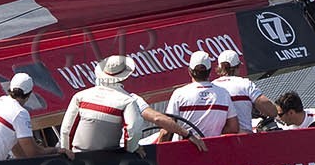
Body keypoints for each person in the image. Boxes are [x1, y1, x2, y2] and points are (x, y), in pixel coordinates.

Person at [59, 54, 205, 153]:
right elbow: (138, 128)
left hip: (79, 157)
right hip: (110, 159)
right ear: (124, 77)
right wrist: (131, 150)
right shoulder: (129, 100)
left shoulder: (80, 96)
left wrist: (67, 153)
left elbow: (66, 129)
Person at [162, 51, 237, 140]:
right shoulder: (223, 93)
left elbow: (167, 131)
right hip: (214, 149)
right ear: (209, 72)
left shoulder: (179, 94)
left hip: (184, 150)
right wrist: (213, 133)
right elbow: (233, 127)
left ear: (189, 71)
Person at [212, 49, 276, 133]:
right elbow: (271, 111)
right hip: (244, 139)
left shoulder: (212, 86)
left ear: (219, 67)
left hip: (219, 140)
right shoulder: (246, 84)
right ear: (237, 67)